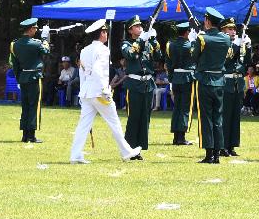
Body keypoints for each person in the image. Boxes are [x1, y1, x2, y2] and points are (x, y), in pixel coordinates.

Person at [69, 19, 142, 163]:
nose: (107, 34)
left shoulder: (85, 50)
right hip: (99, 91)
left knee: (83, 125)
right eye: (105, 32)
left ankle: (75, 155)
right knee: (114, 122)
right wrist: (105, 89)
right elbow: (98, 71)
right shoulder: (102, 49)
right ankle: (126, 152)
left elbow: (82, 72)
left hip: (87, 91)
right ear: (101, 34)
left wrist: (83, 91)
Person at [191, 7, 232, 163]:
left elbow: (194, 57)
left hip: (205, 80)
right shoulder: (226, 38)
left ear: (207, 21)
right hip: (220, 81)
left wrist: (196, 40)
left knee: (206, 118)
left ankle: (209, 154)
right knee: (218, 117)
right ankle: (217, 153)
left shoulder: (202, 39)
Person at [121, 15, 161, 158]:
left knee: (145, 118)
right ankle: (130, 149)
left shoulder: (148, 42)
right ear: (130, 30)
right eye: (136, 26)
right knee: (134, 117)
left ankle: (139, 149)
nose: (140, 28)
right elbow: (130, 54)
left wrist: (154, 40)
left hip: (147, 84)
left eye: (140, 26)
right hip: (134, 84)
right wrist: (141, 40)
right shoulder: (126, 43)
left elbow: (159, 57)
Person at [9, 18, 50, 143]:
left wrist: (19, 78)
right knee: (34, 106)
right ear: (31, 29)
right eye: (36, 29)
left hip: (23, 78)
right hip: (34, 77)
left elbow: (14, 64)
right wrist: (44, 38)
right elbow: (46, 51)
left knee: (25, 106)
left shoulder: (14, 44)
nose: (36, 30)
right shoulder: (36, 43)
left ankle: (25, 135)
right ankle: (31, 136)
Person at [221, 17, 249, 157]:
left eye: (234, 29)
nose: (233, 32)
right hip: (226, 83)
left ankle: (232, 145)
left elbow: (246, 63)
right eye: (230, 29)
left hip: (238, 83)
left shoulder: (238, 44)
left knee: (235, 117)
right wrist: (238, 46)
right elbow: (227, 59)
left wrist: (246, 47)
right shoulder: (222, 43)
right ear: (223, 30)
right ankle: (223, 146)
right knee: (225, 116)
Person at [166, 22, 195, 145]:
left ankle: (176, 136)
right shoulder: (190, 45)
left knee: (177, 107)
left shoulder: (170, 45)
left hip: (176, 77)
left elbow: (168, 63)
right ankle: (181, 137)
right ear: (187, 32)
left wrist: (171, 78)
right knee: (185, 108)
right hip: (187, 78)